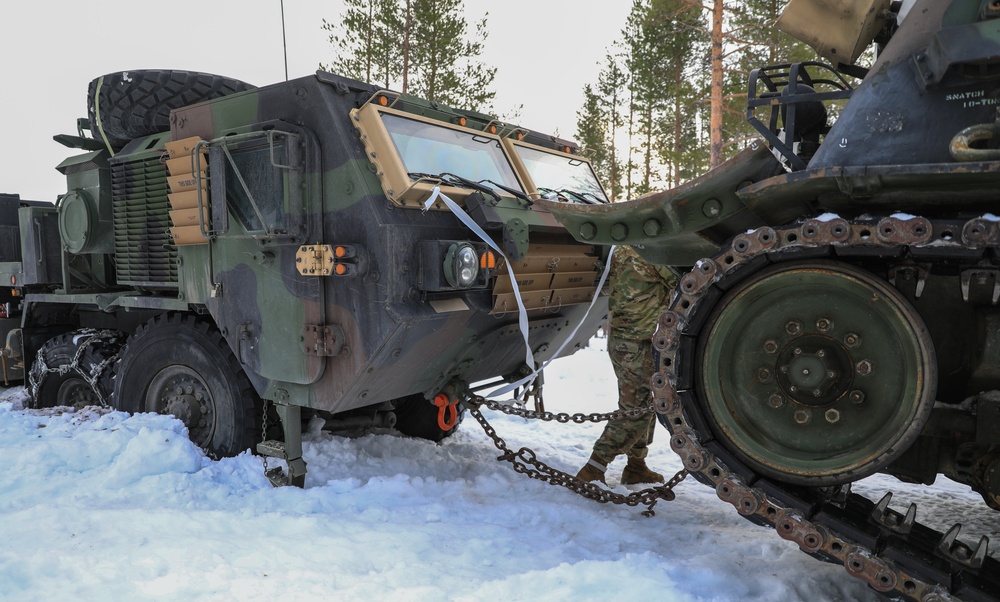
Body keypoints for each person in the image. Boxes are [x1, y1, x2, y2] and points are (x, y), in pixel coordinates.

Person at [576, 245, 677, 485]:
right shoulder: (650, 252)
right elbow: (683, 278)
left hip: (632, 340)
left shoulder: (625, 246)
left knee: (648, 403)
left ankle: (636, 466)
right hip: (634, 344)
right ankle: (593, 467)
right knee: (636, 409)